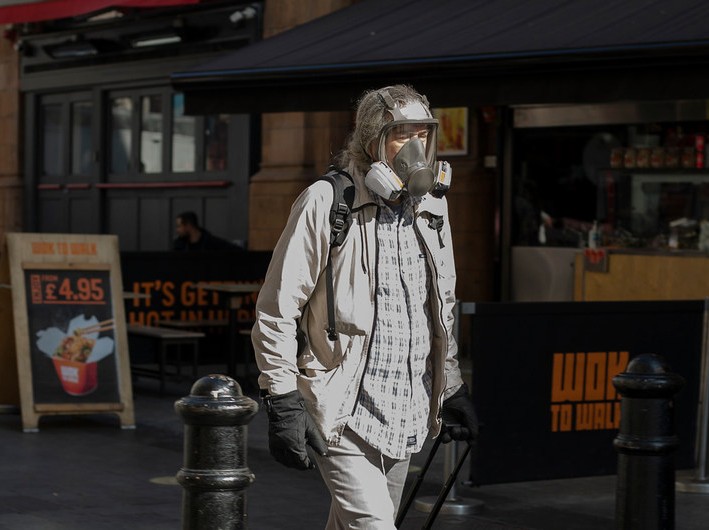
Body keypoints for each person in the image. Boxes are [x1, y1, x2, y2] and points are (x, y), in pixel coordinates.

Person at [252, 85, 478, 529]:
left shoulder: (432, 206)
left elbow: (442, 303)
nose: (415, 147)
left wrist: (449, 385)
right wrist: (281, 398)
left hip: (406, 409)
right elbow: (276, 309)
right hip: (343, 408)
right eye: (400, 135)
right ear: (372, 140)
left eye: (423, 134)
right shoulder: (327, 201)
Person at [171, 211, 242, 251]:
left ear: (188, 226)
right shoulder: (179, 245)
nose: (177, 230)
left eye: (179, 226)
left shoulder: (211, 243)